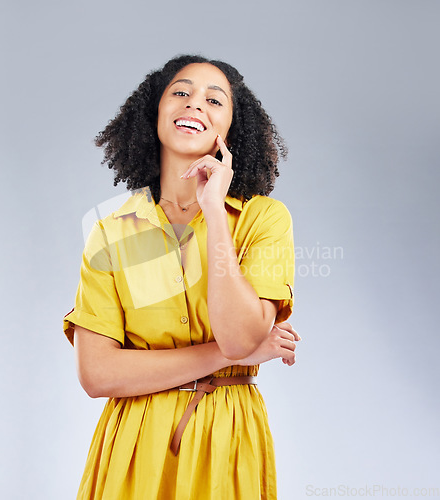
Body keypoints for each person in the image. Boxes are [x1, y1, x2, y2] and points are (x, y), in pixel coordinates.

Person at [63, 54, 301, 500]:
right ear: (155, 112)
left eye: (215, 100)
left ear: (230, 130)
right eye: (180, 92)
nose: (194, 104)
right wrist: (233, 354)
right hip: (132, 446)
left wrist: (214, 206)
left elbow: (238, 336)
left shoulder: (265, 219)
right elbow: (97, 374)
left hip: (226, 437)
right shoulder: (110, 232)